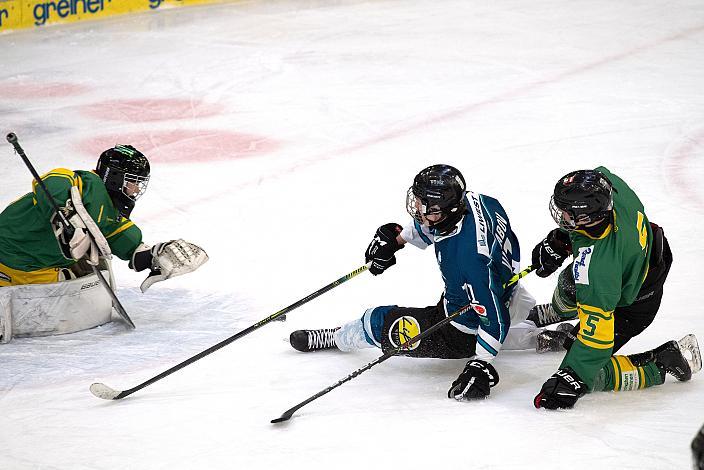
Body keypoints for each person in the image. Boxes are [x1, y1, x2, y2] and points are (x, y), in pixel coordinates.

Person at [288, 164, 540, 400]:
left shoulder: (467, 261)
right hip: (502, 292)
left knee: (383, 324)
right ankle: (536, 328)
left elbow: (494, 321)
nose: (417, 206)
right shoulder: (478, 201)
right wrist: (398, 240)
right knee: (486, 306)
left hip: (462, 327)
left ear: (444, 209)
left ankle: (339, 337)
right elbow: (443, 229)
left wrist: (479, 365)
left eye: (423, 204)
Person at [530, 167, 701, 410]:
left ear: (587, 218)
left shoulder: (597, 268)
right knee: (572, 285)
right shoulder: (610, 190)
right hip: (645, 262)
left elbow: (597, 339)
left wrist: (573, 378)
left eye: (567, 214)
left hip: (633, 305)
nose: (561, 216)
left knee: (590, 372)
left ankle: (661, 364)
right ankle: (563, 312)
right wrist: (561, 239)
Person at [0, 144, 208, 342]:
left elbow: (129, 247)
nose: (135, 190)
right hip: (12, 256)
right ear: (115, 177)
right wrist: (63, 214)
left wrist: (156, 256)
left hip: (36, 262)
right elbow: (52, 180)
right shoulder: (86, 185)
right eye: (132, 181)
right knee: (70, 286)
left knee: (86, 273)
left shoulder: (110, 214)